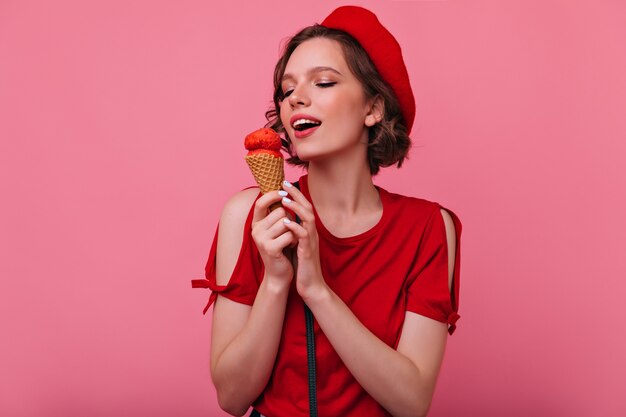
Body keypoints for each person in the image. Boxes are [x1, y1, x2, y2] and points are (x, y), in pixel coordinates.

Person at [191, 5, 462, 417]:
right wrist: (276, 281)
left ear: (373, 108)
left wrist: (317, 290)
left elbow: (412, 403)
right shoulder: (250, 215)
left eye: (323, 82)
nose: (297, 98)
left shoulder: (428, 227)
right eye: (287, 90)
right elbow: (231, 397)